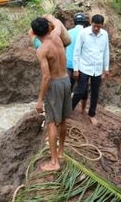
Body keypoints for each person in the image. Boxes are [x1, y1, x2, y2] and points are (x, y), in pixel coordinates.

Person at [30, 14, 72, 172]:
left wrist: (40, 100)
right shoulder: (57, 37)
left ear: (35, 33)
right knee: (62, 120)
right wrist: (50, 17)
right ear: (48, 27)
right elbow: (57, 24)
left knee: (51, 122)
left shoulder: (42, 50)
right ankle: (61, 152)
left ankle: (54, 162)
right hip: (66, 81)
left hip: (54, 84)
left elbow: (46, 77)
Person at [72, 14, 109, 125]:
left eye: (99, 26)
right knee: (80, 90)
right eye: (94, 26)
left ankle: (91, 114)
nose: (96, 28)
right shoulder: (83, 33)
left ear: (102, 25)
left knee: (95, 92)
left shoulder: (104, 35)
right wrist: (76, 69)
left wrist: (106, 69)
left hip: (97, 69)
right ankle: (69, 109)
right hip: (84, 67)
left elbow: (106, 51)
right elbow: (77, 51)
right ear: (91, 23)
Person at [66, 13, 87, 113]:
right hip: (82, 66)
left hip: (69, 65)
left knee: (68, 87)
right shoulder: (86, 32)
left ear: (74, 22)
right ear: (84, 22)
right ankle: (82, 109)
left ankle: (65, 107)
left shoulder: (68, 32)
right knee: (83, 88)